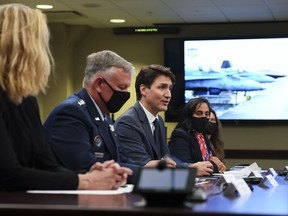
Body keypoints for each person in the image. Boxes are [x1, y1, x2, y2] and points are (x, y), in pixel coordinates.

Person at [0, 3, 131, 191]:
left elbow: (46, 166)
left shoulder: (26, 99)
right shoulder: (71, 111)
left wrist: (88, 175)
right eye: (40, 42)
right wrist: (85, 182)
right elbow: (9, 174)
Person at [44, 50, 137, 173]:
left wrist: (155, 175)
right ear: (98, 84)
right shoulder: (71, 113)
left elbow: (120, 160)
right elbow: (86, 167)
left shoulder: (104, 116)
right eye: (122, 87)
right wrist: (153, 179)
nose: (126, 94)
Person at [114, 64, 177, 167]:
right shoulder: (127, 122)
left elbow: (166, 158)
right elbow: (142, 165)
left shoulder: (159, 121)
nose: (168, 95)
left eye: (170, 88)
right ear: (143, 90)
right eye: (162, 87)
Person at [169, 97, 226, 174]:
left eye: (206, 114)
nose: (204, 117)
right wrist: (214, 164)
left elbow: (213, 162)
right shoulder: (180, 135)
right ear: (189, 115)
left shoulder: (202, 135)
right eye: (199, 113)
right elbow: (185, 167)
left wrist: (218, 164)